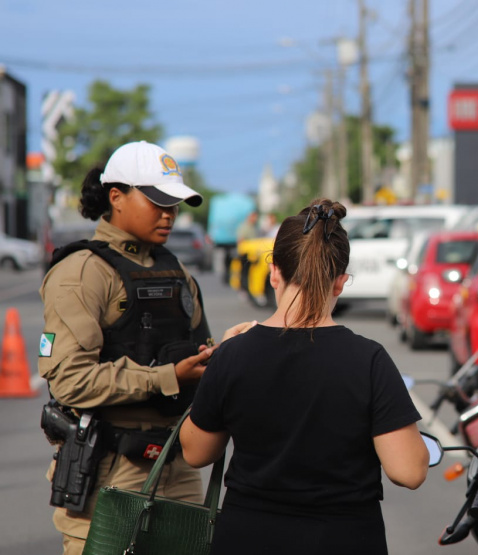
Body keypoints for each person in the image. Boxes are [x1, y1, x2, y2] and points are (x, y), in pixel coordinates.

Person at [179, 198, 429, 554]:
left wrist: (220, 363)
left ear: (274, 271)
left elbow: (196, 452)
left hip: (248, 536)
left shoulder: (233, 353)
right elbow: (410, 471)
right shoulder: (368, 359)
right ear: (340, 282)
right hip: (344, 538)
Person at [39, 140, 225, 555]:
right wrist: (166, 377)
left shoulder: (177, 272)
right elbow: (70, 380)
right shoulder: (82, 273)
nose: (169, 214)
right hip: (110, 471)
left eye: (175, 203)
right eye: (157, 201)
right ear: (116, 197)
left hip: (177, 466)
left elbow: (202, 355)